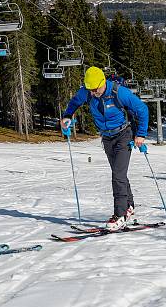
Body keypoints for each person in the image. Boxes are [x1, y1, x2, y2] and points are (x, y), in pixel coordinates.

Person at [61, 66, 149, 231]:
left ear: (103, 82)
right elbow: (74, 102)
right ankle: (129, 205)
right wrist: (66, 116)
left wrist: (141, 134)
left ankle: (120, 215)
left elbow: (142, 109)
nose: (93, 92)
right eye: (91, 90)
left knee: (118, 175)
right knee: (119, 173)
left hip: (124, 135)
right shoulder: (87, 92)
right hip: (107, 138)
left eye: (96, 89)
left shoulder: (119, 92)